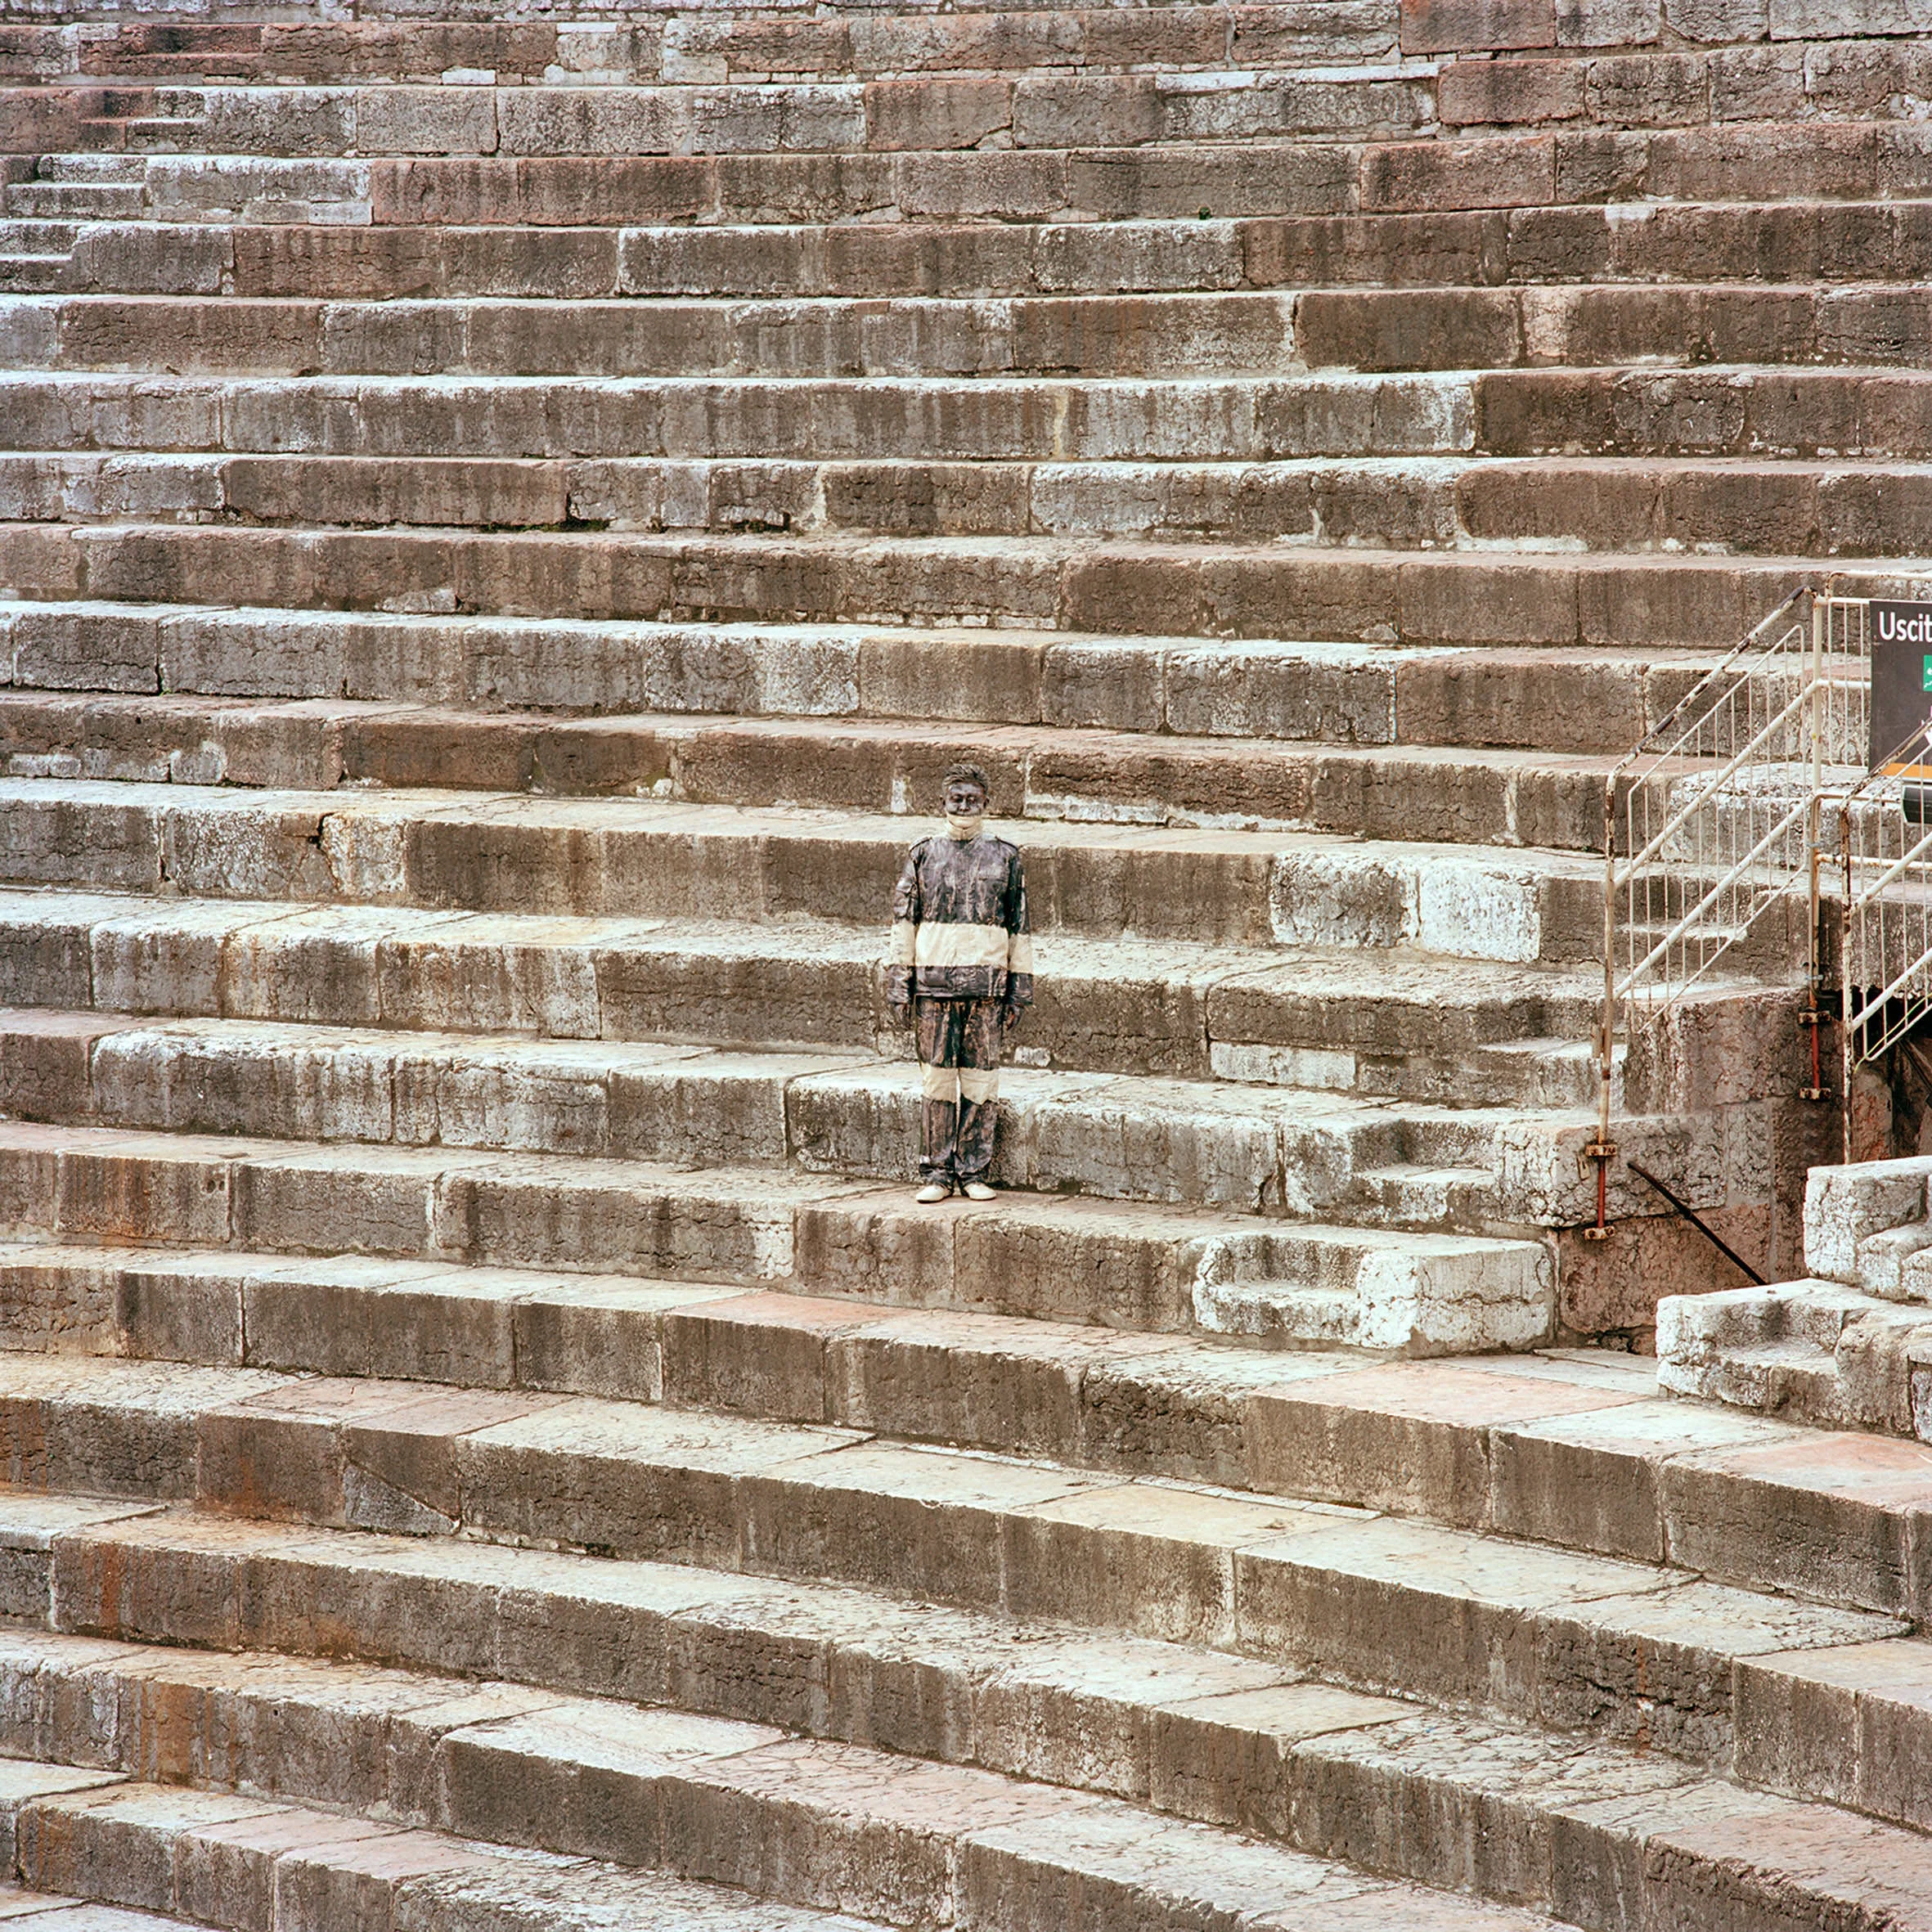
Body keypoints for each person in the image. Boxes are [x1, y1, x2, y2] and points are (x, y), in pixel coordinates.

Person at [883, 763, 1033, 1203]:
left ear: (986, 802)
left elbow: (1020, 927)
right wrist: (899, 984)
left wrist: (1019, 990)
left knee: (981, 1083)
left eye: (972, 799)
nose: (964, 806)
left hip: (987, 989)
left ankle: (973, 1171)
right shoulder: (923, 855)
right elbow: (903, 923)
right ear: (943, 802)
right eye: (957, 798)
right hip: (933, 987)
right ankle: (937, 1173)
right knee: (937, 1083)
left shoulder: (1006, 857)